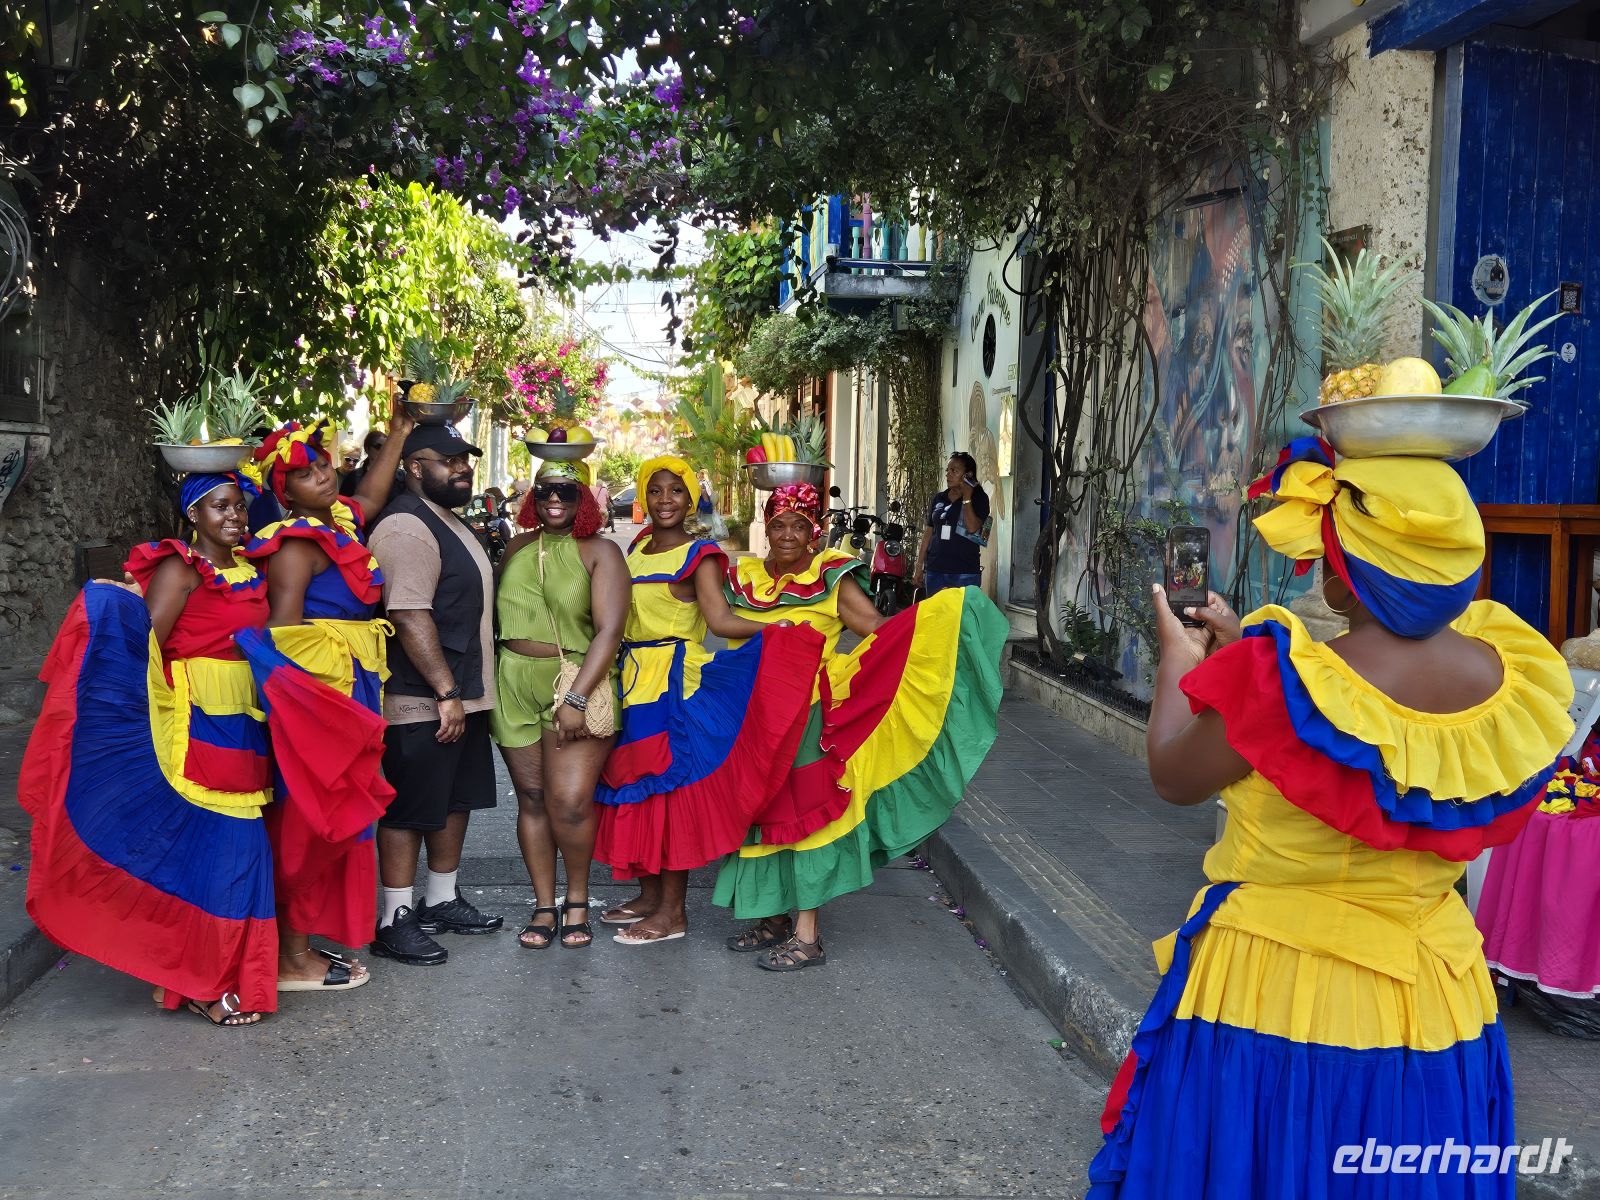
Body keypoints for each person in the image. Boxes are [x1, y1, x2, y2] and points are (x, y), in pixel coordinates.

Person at [1088, 441, 1573, 1199]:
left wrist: (1181, 662)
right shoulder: (1514, 682)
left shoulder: (1277, 681)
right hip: (1436, 1005)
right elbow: (1370, 723)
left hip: (1272, 995)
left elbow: (1172, 773)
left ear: (1345, 579)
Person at [712, 483, 1009, 971]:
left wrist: (936, 619)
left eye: (800, 525)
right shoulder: (744, 575)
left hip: (807, 716)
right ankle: (773, 917)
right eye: (779, 523)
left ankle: (808, 936)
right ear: (767, 527)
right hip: (752, 718)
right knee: (758, 813)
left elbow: (877, 628)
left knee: (802, 816)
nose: (788, 534)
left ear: (815, 532)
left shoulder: (831, 575)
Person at [20, 470, 276, 1026]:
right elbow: (146, 647)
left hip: (242, 724)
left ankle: (206, 978)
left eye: (239, 507)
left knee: (229, 851)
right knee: (229, 849)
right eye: (220, 508)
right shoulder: (180, 568)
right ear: (194, 515)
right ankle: (205, 983)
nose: (234, 517)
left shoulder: (249, 567)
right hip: (194, 724)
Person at [593, 457, 823, 944]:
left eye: (676, 491)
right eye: (655, 491)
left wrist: (774, 629)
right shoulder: (632, 548)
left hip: (676, 683)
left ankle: (673, 912)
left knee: (671, 790)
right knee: (638, 783)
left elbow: (719, 620)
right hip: (630, 679)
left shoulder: (702, 553)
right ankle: (650, 897)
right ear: (643, 496)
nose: (665, 501)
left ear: (691, 497)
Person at [239, 407, 412, 991]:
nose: (324, 477)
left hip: (351, 688)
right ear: (282, 491)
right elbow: (282, 636)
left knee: (334, 818)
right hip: (316, 701)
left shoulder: (338, 522)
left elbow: (373, 491)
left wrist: (404, 430)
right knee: (307, 819)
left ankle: (303, 945)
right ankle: (290, 957)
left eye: (324, 466)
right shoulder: (293, 544)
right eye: (308, 473)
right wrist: (314, 712)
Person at [366, 423, 503, 965]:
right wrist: (445, 688)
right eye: (446, 460)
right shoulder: (405, 524)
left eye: (463, 458)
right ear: (414, 467)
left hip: (461, 694)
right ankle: (394, 916)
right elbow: (407, 610)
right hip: (421, 698)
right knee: (409, 808)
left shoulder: (447, 519)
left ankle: (440, 898)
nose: (462, 467)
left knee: (454, 800)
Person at [492, 459, 629, 950]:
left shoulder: (601, 552)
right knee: (531, 798)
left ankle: (577, 899)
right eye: (546, 490)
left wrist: (577, 697)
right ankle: (543, 904)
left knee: (568, 802)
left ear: (585, 499)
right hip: (512, 680)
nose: (555, 500)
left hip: (571, 679)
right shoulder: (516, 546)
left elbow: (610, 631)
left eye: (567, 492)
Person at [912, 452, 991, 596]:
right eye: (947, 470)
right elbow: (929, 533)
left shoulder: (979, 498)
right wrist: (919, 566)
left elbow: (973, 528)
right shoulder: (939, 498)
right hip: (936, 570)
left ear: (968, 475)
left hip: (964, 572)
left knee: (962, 617)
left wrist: (967, 496)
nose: (948, 474)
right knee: (936, 616)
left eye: (954, 471)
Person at [339, 427, 401, 504]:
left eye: (386, 447)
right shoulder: (353, 478)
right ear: (367, 449)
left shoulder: (399, 476)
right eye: (378, 447)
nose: (383, 451)